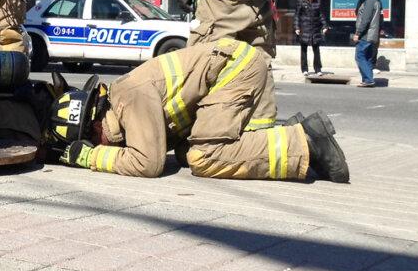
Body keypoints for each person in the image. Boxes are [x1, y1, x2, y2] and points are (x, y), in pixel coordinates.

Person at [47, 37, 349, 182]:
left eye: (91, 140)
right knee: (185, 154)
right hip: (238, 67)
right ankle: (291, 137)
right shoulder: (122, 97)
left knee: (204, 157)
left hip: (233, 71)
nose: (97, 144)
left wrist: (91, 157)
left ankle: (306, 141)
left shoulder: (128, 95)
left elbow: (148, 164)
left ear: (95, 125)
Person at [352, 0, 383, 87]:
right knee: (368, 57)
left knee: (359, 56)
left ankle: (368, 79)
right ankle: (367, 79)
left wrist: (358, 33)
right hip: (373, 34)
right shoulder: (376, 1)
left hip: (366, 34)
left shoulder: (369, 1)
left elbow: (365, 19)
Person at [295, 0, 328, 76]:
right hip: (304, 28)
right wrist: (297, 27)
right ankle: (304, 69)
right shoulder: (301, 1)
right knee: (304, 50)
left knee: (316, 49)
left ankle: (318, 69)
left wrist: (325, 26)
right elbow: (297, 15)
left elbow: (321, 15)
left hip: (315, 28)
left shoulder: (317, 2)